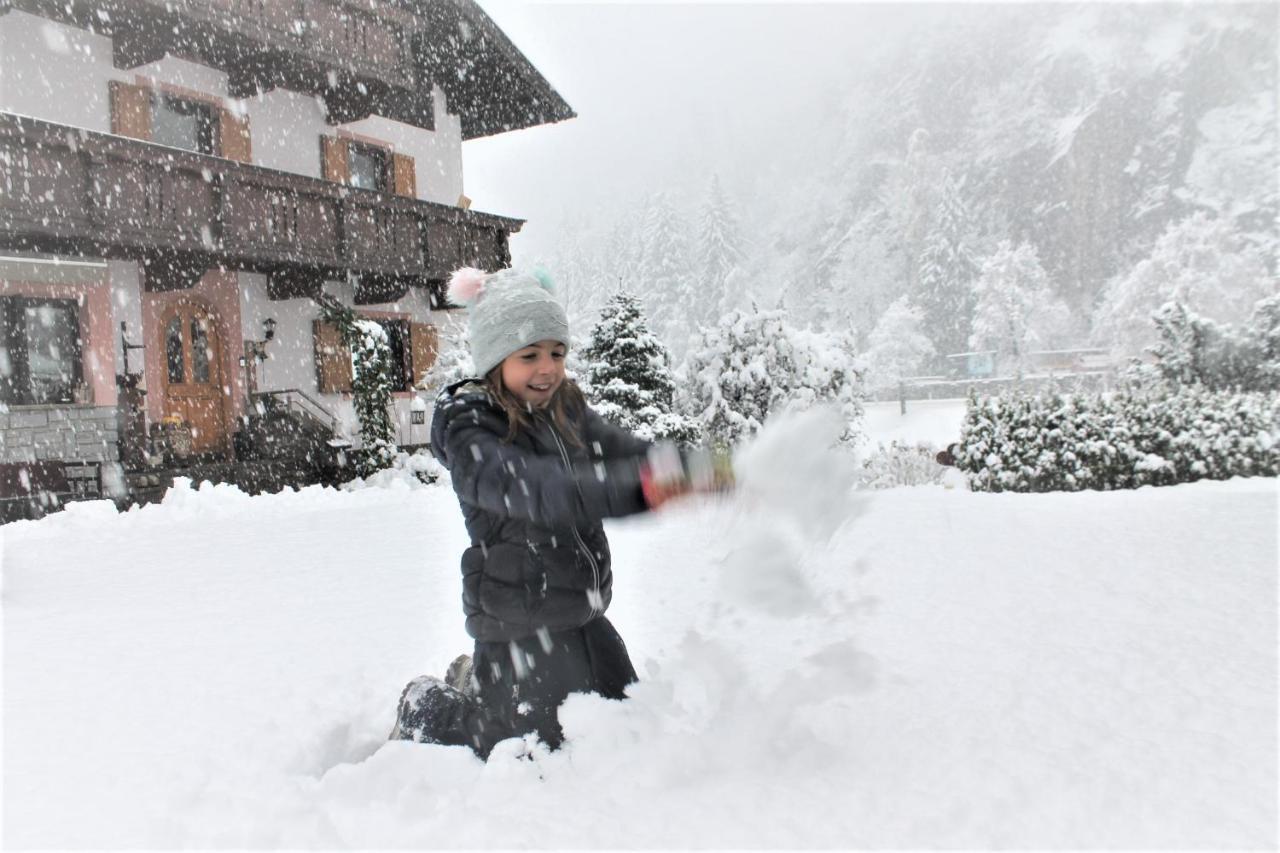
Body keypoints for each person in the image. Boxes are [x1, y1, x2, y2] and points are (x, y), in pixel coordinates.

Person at [390, 266, 727, 759]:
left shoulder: (564, 410)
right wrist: (639, 491)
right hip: (517, 624)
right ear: (495, 357)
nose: (547, 368)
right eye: (529, 356)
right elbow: (539, 489)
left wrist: (689, 469)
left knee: (626, 715)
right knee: (520, 746)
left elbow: (621, 450)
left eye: (557, 353)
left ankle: (483, 685)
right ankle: (427, 705)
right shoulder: (470, 429)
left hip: (582, 612)